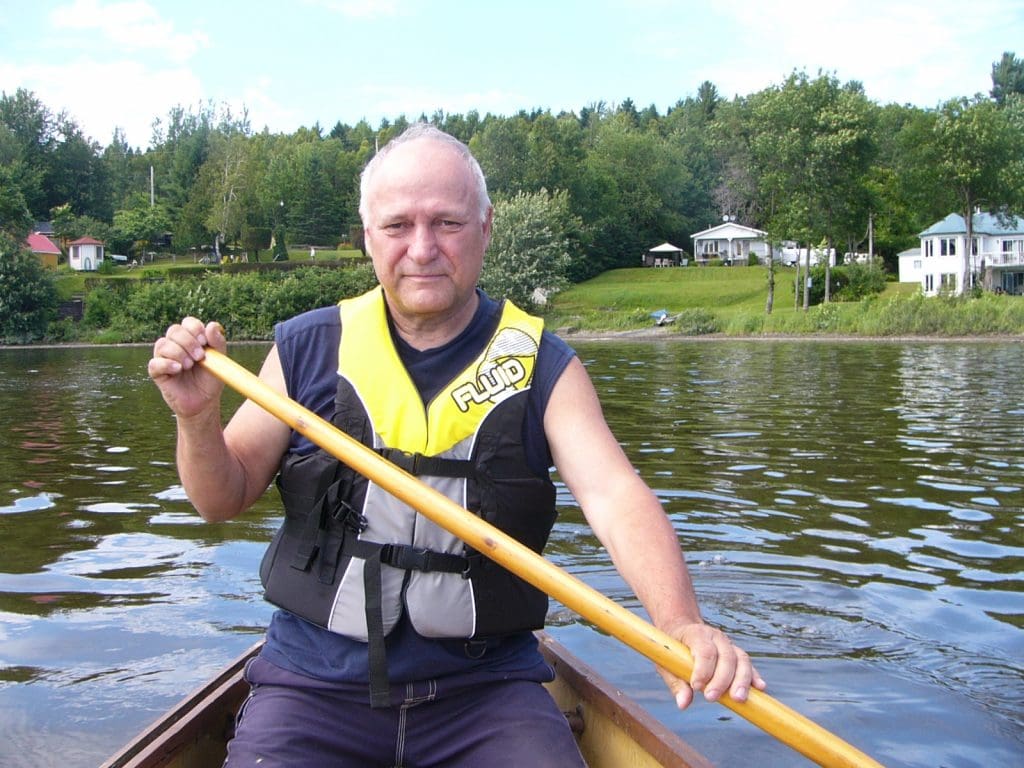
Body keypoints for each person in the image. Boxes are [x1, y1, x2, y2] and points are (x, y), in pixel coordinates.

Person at [148, 123, 765, 767]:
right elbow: (219, 500)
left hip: (486, 692)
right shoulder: (306, 348)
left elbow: (614, 498)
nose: (422, 248)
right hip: (315, 685)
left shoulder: (544, 366)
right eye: (398, 226)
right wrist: (196, 419)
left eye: (446, 223)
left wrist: (679, 622)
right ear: (368, 237)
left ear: (486, 228)